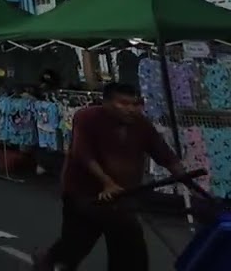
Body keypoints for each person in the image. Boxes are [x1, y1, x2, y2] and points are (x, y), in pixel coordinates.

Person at [34, 82, 183, 271]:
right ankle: (48, 261)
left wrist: (184, 177)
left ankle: (51, 260)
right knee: (76, 243)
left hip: (122, 196)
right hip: (84, 194)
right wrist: (108, 183)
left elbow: (163, 154)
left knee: (129, 246)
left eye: (135, 104)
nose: (130, 109)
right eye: (123, 103)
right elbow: (83, 154)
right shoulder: (86, 117)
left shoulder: (141, 124)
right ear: (106, 102)